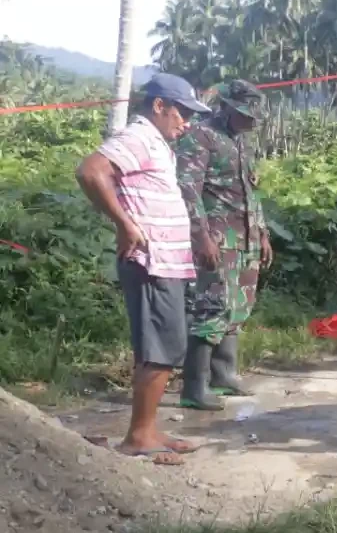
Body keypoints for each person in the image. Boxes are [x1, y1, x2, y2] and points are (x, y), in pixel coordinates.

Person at [75, 73, 211, 464]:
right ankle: (138, 436)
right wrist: (125, 224)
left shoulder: (157, 143)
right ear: (158, 106)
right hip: (152, 262)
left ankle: (147, 429)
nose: (186, 122)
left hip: (166, 261)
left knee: (161, 346)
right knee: (161, 347)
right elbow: (91, 171)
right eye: (181, 112)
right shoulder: (138, 137)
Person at [174, 79, 273, 411]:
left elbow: (249, 190)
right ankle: (194, 387)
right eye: (246, 114)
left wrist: (262, 232)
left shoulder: (241, 142)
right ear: (227, 107)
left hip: (245, 238)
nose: (251, 121)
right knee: (212, 306)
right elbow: (188, 189)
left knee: (239, 305)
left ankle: (223, 375)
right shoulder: (200, 137)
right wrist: (201, 236)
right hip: (217, 237)